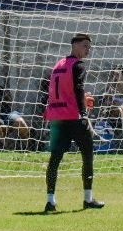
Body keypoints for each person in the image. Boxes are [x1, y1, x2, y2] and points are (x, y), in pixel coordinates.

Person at [43, 33, 105, 213]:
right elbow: (78, 88)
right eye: (85, 46)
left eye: (89, 46)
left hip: (57, 117)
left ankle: (50, 202)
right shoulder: (78, 65)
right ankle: (88, 199)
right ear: (75, 46)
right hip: (74, 117)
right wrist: (84, 113)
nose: (88, 50)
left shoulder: (57, 65)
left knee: (55, 159)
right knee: (88, 155)